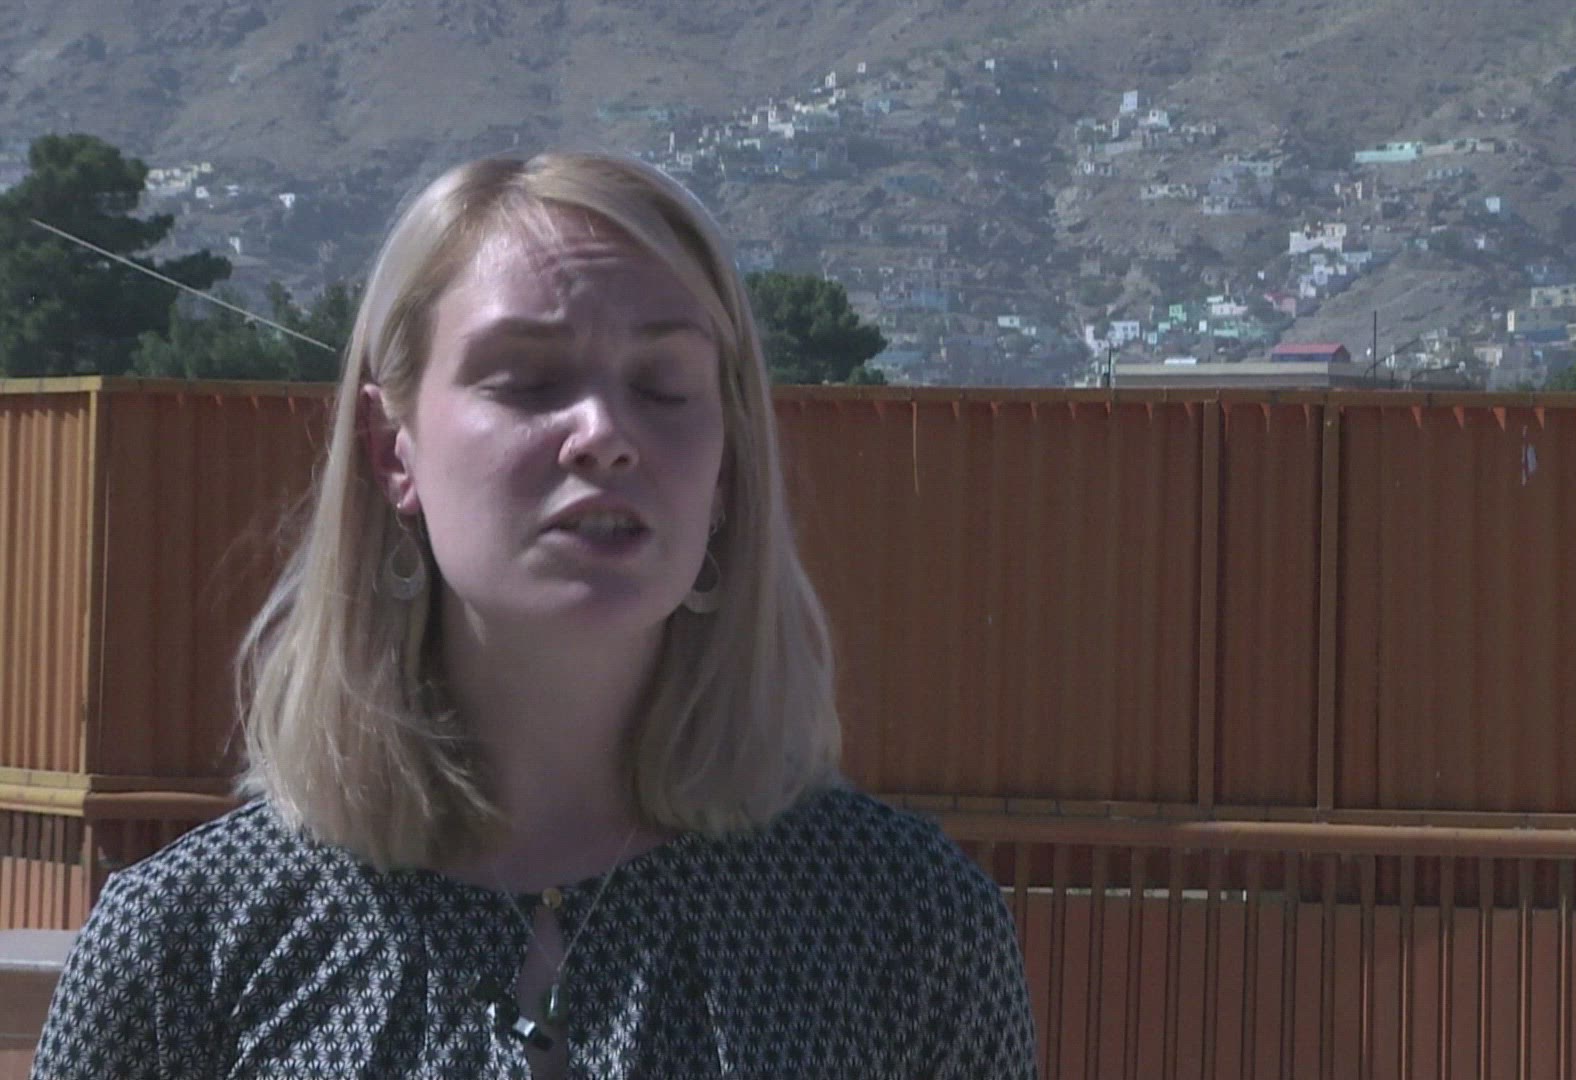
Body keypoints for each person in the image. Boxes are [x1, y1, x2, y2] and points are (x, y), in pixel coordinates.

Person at [32, 152, 1036, 1079]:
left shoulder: (905, 921)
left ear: (726, 466)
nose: (604, 434)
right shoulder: (187, 939)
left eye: (663, 386)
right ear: (391, 449)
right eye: (530, 380)